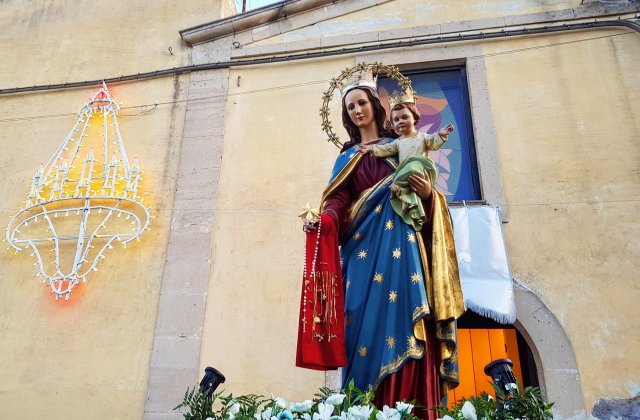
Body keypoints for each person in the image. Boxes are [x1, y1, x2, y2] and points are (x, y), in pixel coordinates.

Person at [300, 71, 464, 419]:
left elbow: (429, 197)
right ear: (347, 117)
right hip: (362, 257)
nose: (357, 110)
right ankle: (365, 410)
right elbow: (336, 206)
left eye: (362, 103)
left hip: (405, 251)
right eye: (350, 107)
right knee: (364, 329)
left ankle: (411, 409)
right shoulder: (347, 159)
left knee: (410, 320)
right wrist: (321, 222)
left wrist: (427, 195)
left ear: (375, 106)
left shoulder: (402, 145)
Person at [360, 97, 454, 231]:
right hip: (407, 171)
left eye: (404, 117)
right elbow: (386, 149)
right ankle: (407, 203)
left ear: (414, 118)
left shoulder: (422, 137)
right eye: (396, 120)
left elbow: (433, 142)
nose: (401, 122)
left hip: (421, 166)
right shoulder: (398, 142)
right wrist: (371, 148)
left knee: (408, 170)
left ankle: (398, 187)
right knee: (409, 187)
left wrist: (441, 134)